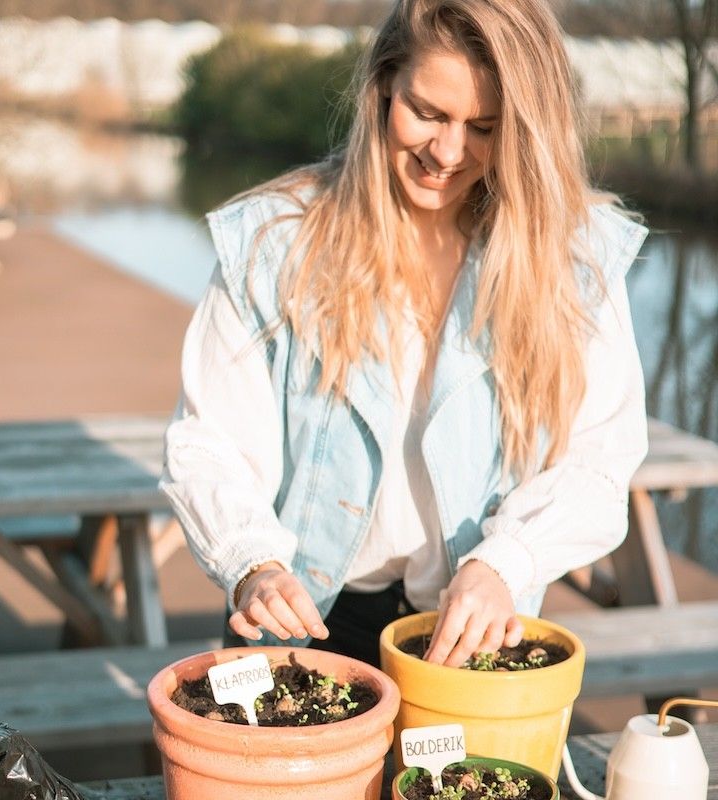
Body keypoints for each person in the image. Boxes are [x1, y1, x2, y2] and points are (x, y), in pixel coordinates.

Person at [160, 0, 649, 669]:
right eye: (428, 112)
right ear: (384, 86)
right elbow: (210, 441)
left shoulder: (577, 258)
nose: (447, 153)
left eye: (484, 126)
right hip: (302, 622)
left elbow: (598, 459)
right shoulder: (273, 240)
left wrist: (505, 564)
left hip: (477, 629)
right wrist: (252, 561)